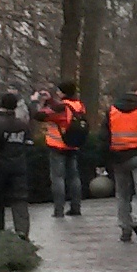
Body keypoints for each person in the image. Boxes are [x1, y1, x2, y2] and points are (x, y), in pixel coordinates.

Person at [103, 83, 137, 244]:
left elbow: (104, 137)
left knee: (122, 194)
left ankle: (125, 229)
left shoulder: (111, 111)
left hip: (118, 157)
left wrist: (106, 159)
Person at [0, 91, 36, 236]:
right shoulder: (23, 126)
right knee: (20, 199)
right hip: (19, 167)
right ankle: (22, 231)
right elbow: (29, 146)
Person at [40, 85, 89, 217]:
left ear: (63, 93)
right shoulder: (79, 105)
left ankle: (58, 210)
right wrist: (50, 100)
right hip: (73, 145)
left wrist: (36, 101)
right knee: (74, 177)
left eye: (59, 91)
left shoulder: (61, 107)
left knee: (58, 178)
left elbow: (41, 115)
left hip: (58, 145)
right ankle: (76, 207)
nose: (57, 93)